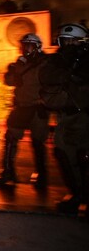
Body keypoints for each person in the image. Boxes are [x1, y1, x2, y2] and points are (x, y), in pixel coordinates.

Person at [39, 23, 89, 214]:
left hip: (84, 114)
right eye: (64, 41)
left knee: (83, 155)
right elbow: (46, 75)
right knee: (63, 153)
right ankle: (76, 193)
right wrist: (68, 69)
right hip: (66, 115)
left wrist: (74, 72)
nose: (67, 45)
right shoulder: (60, 59)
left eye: (71, 41)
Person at [0, 33, 50, 188]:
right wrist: (14, 69)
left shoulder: (45, 64)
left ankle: (41, 174)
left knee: (38, 142)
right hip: (21, 107)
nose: (24, 49)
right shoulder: (21, 64)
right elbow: (9, 81)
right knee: (11, 138)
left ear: (37, 47)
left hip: (38, 108)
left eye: (28, 46)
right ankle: (7, 171)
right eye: (23, 46)